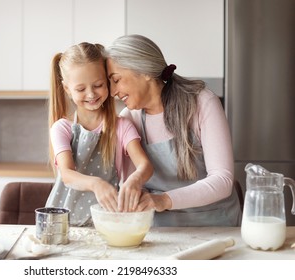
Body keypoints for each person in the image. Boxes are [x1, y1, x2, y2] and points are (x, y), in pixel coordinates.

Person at [105, 34, 242, 226]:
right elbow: (134, 185)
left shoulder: (202, 103)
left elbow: (223, 180)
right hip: (161, 232)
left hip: (215, 226)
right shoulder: (129, 119)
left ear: (144, 71)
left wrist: (163, 200)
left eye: (116, 80)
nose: (112, 92)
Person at [46, 42, 153, 226]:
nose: (91, 94)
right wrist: (97, 184)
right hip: (61, 223)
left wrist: (135, 179)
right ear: (67, 89)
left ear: (108, 81)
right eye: (81, 89)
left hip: (105, 222)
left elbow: (145, 165)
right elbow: (67, 174)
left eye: (98, 85)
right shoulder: (62, 128)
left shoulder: (122, 126)